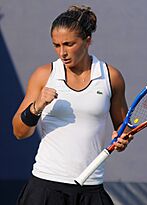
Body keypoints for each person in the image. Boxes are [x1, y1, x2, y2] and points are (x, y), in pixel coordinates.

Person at [12, 4, 133, 205]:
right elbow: (19, 131)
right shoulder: (44, 75)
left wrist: (123, 140)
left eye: (69, 44)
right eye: (56, 45)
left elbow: (124, 127)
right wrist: (37, 106)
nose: (62, 52)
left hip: (91, 189)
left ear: (88, 41)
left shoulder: (111, 77)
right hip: (45, 187)